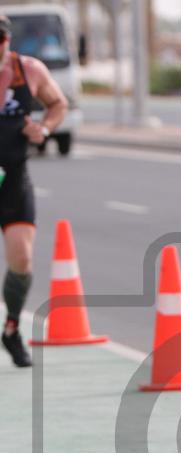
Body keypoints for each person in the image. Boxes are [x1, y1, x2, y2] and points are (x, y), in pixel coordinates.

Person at [0, 14, 67, 366]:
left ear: (7, 39)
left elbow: (58, 104)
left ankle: (11, 328)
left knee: (22, 259)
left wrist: (44, 128)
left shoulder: (29, 70)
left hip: (13, 178)